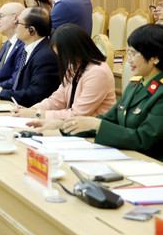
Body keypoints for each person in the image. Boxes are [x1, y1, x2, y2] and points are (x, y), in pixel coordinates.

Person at [28, 25, 163, 160]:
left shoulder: (160, 92)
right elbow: (109, 120)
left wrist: (97, 125)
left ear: (155, 58)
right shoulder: (136, 84)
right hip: (126, 154)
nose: (129, 60)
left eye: (133, 54)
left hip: (150, 162)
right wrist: (61, 125)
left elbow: (143, 139)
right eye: (128, 53)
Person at [14, 24, 116, 119]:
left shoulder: (98, 73)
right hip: (73, 125)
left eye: (63, 55)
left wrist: (38, 114)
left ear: (74, 50)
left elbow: (77, 114)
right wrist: (32, 110)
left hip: (93, 129)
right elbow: (58, 99)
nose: (61, 59)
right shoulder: (75, 65)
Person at [0, 7, 60, 107]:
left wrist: (0, 93)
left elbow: (36, 95)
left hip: (32, 111)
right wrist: (0, 88)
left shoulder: (45, 56)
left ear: (31, 30)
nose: (15, 26)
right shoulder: (28, 49)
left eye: (18, 23)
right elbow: (18, 82)